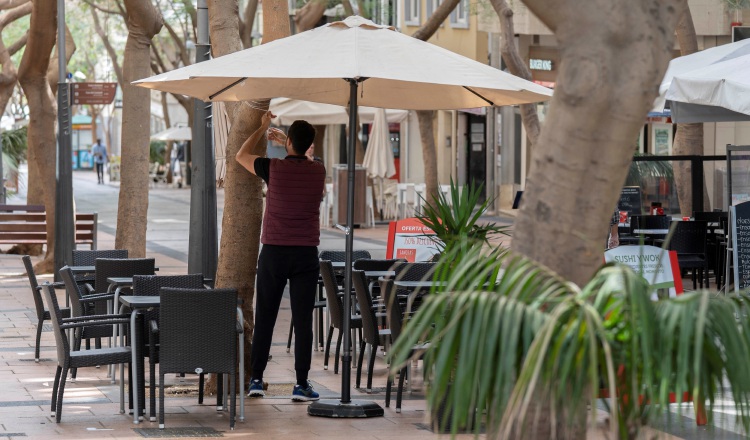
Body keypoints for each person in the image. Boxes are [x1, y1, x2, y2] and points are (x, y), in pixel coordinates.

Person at [236, 111, 325, 402]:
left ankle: (257, 380)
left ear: (288, 143)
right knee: (303, 322)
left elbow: (240, 155)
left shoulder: (272, 168)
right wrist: (290, 144)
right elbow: (308, 162)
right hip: (305, 256)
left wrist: (263, 128)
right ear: (310, 144)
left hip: (273, 252)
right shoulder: (318, 170)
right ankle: (300, 384)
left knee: (266, 318)